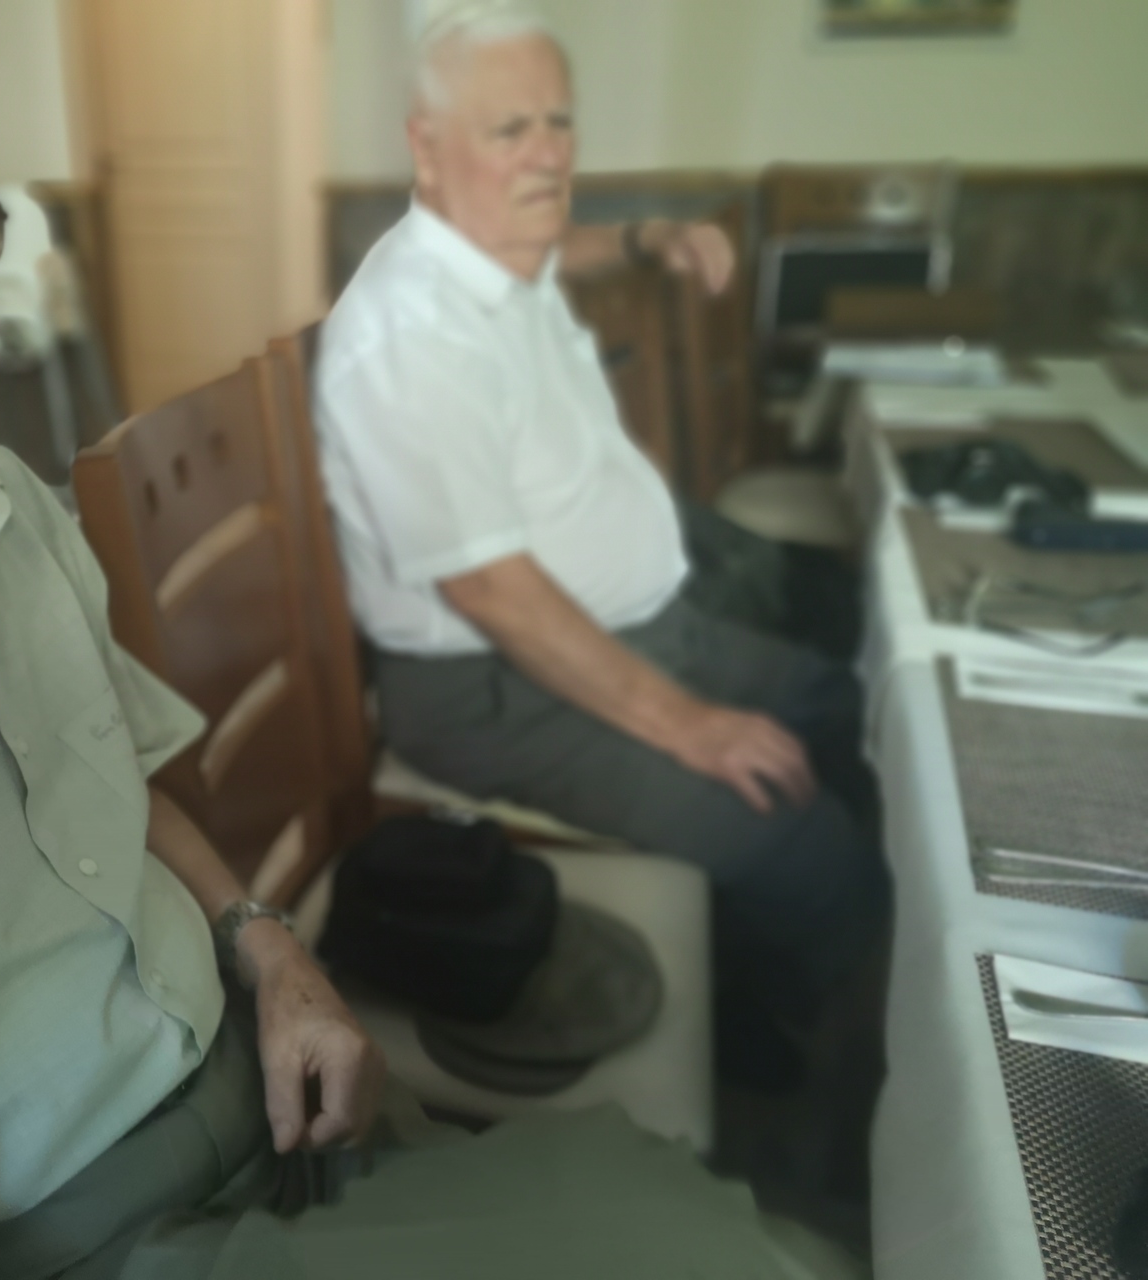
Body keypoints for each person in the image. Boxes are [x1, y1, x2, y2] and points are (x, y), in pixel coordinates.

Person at [0, 3, 862, 1276]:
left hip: (273, 1106)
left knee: (719, 1224)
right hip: (105, 1235)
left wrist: (264, 946)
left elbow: (108, 765)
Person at [314, 5, 888, 1085]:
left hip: (619, 624)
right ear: (427, 149)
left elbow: (556, 245)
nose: (547, 155)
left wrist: (640, 237)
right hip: (494, 684)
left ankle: (764, 970)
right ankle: (813, 1081)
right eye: (509, 129)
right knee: (801, 842)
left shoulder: (495, 249)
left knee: (836, 701)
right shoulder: (407, 338)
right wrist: (688, 724)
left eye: (558, 121)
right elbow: (490, 591)